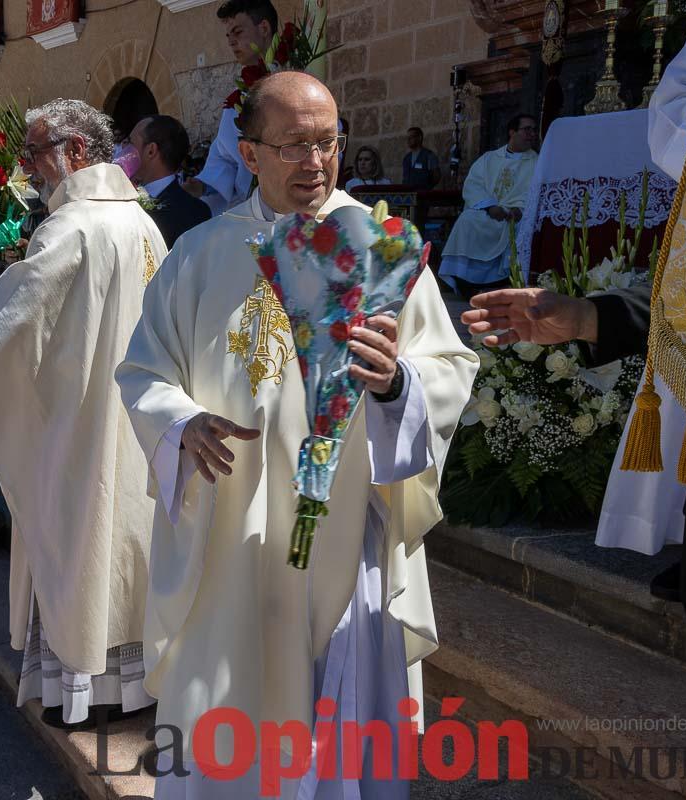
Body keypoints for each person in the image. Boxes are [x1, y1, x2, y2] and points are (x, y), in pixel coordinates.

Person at [116, 72, 477, 798]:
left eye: (327, 142)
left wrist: (398, 383)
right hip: (234, 532)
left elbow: (448, 366)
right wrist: (182, 425)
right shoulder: (199, 255)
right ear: (249, 154)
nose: (316, 162)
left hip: (346, 528)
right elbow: (143, 371)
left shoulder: (382, 249)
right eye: (294, 146)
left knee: (338, 725)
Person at [0, 99, 168, 728]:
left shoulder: (70, 229)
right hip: (137, 418)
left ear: (77, 151)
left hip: (79, 420)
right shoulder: (145, 225)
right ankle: (132, 685)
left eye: (34, 154)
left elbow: (11, 332)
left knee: (81, 540)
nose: (28, 169)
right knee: (129, 537)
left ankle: (83, 689)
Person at [182, 0, 278, 216]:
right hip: (250, 213)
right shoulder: (238, 100)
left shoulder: (300, 83)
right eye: (228, 36)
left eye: (238, 32)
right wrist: (202, 186)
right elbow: (225, 158)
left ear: (263, 28)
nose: (232, 42)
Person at [438, 114, 539, 297]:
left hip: (516, 215)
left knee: (519, 229)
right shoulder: (489, 158)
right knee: (467, 220)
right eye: (527, 129)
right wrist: (490, 206)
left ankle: (502, 281)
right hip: (490, 210)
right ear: (512, 132)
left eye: (534, 130)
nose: (532, 134)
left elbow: (536, 191)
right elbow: (474, 184)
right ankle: (465, 282)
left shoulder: (537, 162)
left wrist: (519, 210)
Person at [129, 115, 213, 247]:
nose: (125, 151)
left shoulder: (195, 211)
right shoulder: (123, 199)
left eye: (131, 144)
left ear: (151, 151)